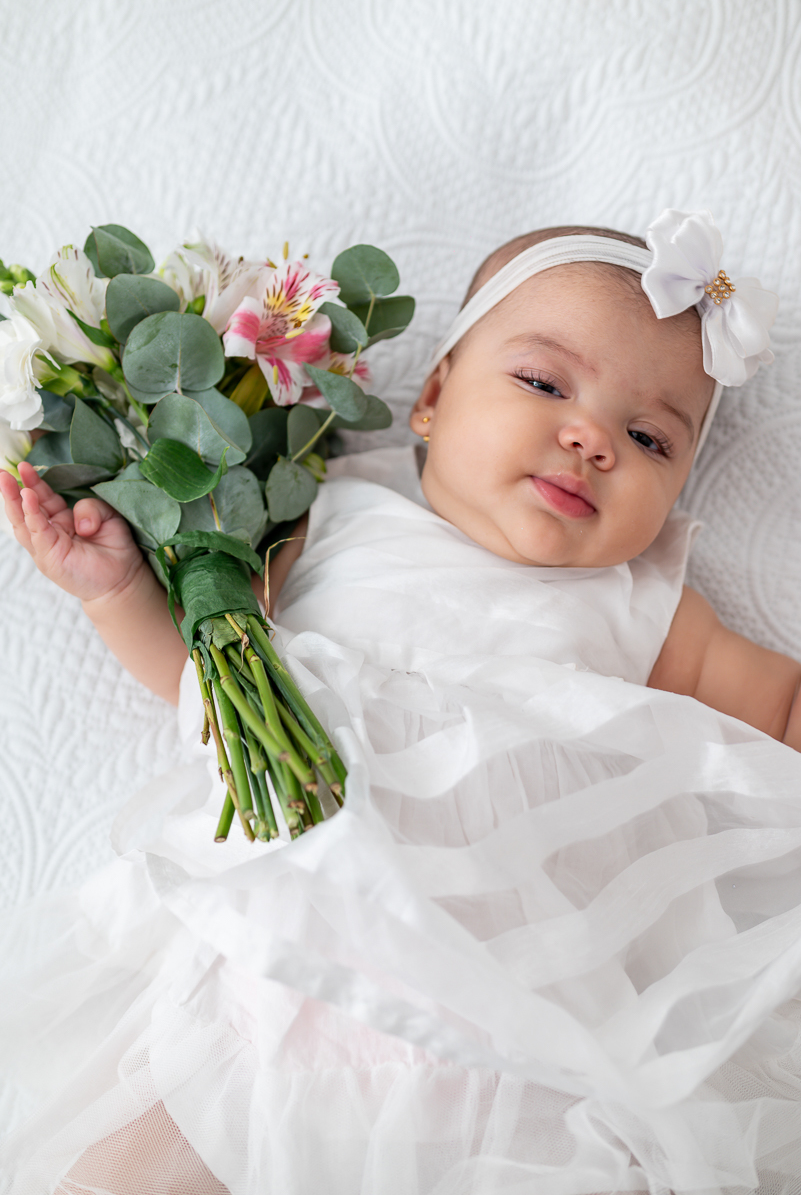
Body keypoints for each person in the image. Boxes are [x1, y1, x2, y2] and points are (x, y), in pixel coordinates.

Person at [1, 209, 800, 1194]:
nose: (590, 437)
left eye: (648, 438)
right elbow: (212, 688)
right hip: (280, 983)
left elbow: (783, 710)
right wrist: (118, 592)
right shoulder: (329, 514)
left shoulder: (649, 608)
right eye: (544, 383)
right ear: (431, 396)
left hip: (516, 1042)